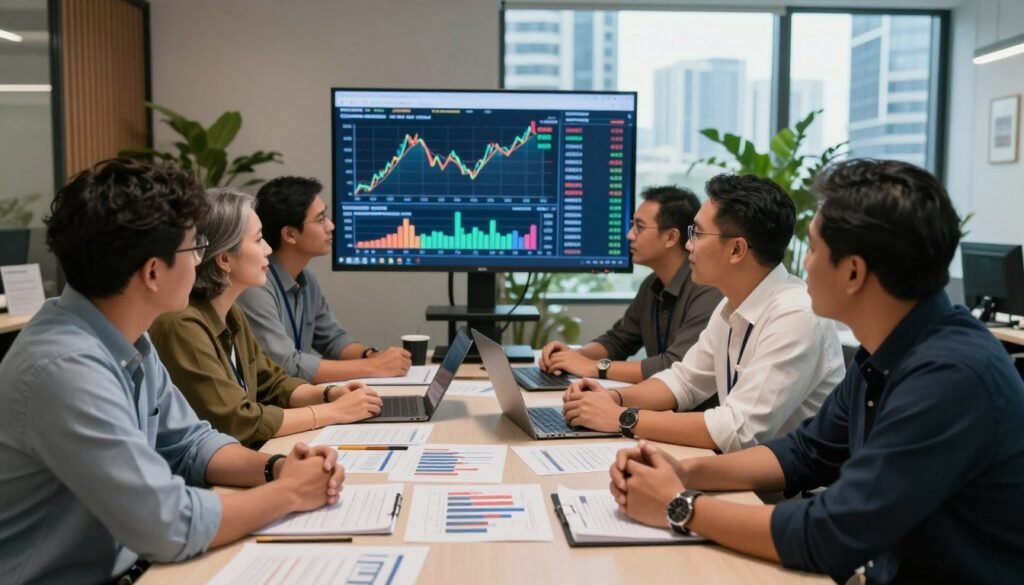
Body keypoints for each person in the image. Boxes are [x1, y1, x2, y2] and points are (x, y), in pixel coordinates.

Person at [609, 159, 1024, 584]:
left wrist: (681, 505)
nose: (802, 264)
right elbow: (805, 452)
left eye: (814, 248)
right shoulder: (885, 352)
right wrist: (686, 472)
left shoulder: (951, 377)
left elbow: (833, 532)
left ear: (853, 272)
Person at [0, 160, 347, 584]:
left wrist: (277, 468)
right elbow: (167, 524)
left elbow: (190, 443)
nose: (201, 259)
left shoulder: (126, 337)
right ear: (152, 272)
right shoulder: (65, 370)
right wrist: (290, 492)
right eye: (194, 247)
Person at [562, 174, 844, 453]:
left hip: (786, 491)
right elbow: (684, 381)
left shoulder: (795, 315)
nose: (689, 245)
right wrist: (613, 398)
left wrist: (622, 417)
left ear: (736, 249)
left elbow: (738, 430)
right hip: (741, 470)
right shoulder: (731, 305)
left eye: (696, 233)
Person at [150, 187, 382, 447]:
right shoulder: (182, 325)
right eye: (259, 239)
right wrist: (334, 412)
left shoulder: (231, 313)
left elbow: (272, 383)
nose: (269, 249)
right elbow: (239, 421)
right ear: (225, 258)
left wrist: (330, 393)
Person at [539, 186, 722, 384]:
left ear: (671, 237)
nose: (630, 235)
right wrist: (573, 356)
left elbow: (675, 366)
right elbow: (618, 341)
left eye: (639, 227)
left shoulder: (707, 289)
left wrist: (593, 366)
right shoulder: (652, 284)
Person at [237, 176, 411, 383]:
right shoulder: (255, 286)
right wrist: (373, 367)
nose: (331, 226)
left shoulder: (306, 279)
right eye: (320, 220)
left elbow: (333, 339)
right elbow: (286, 364)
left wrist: (371, 355)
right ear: (290, 234)